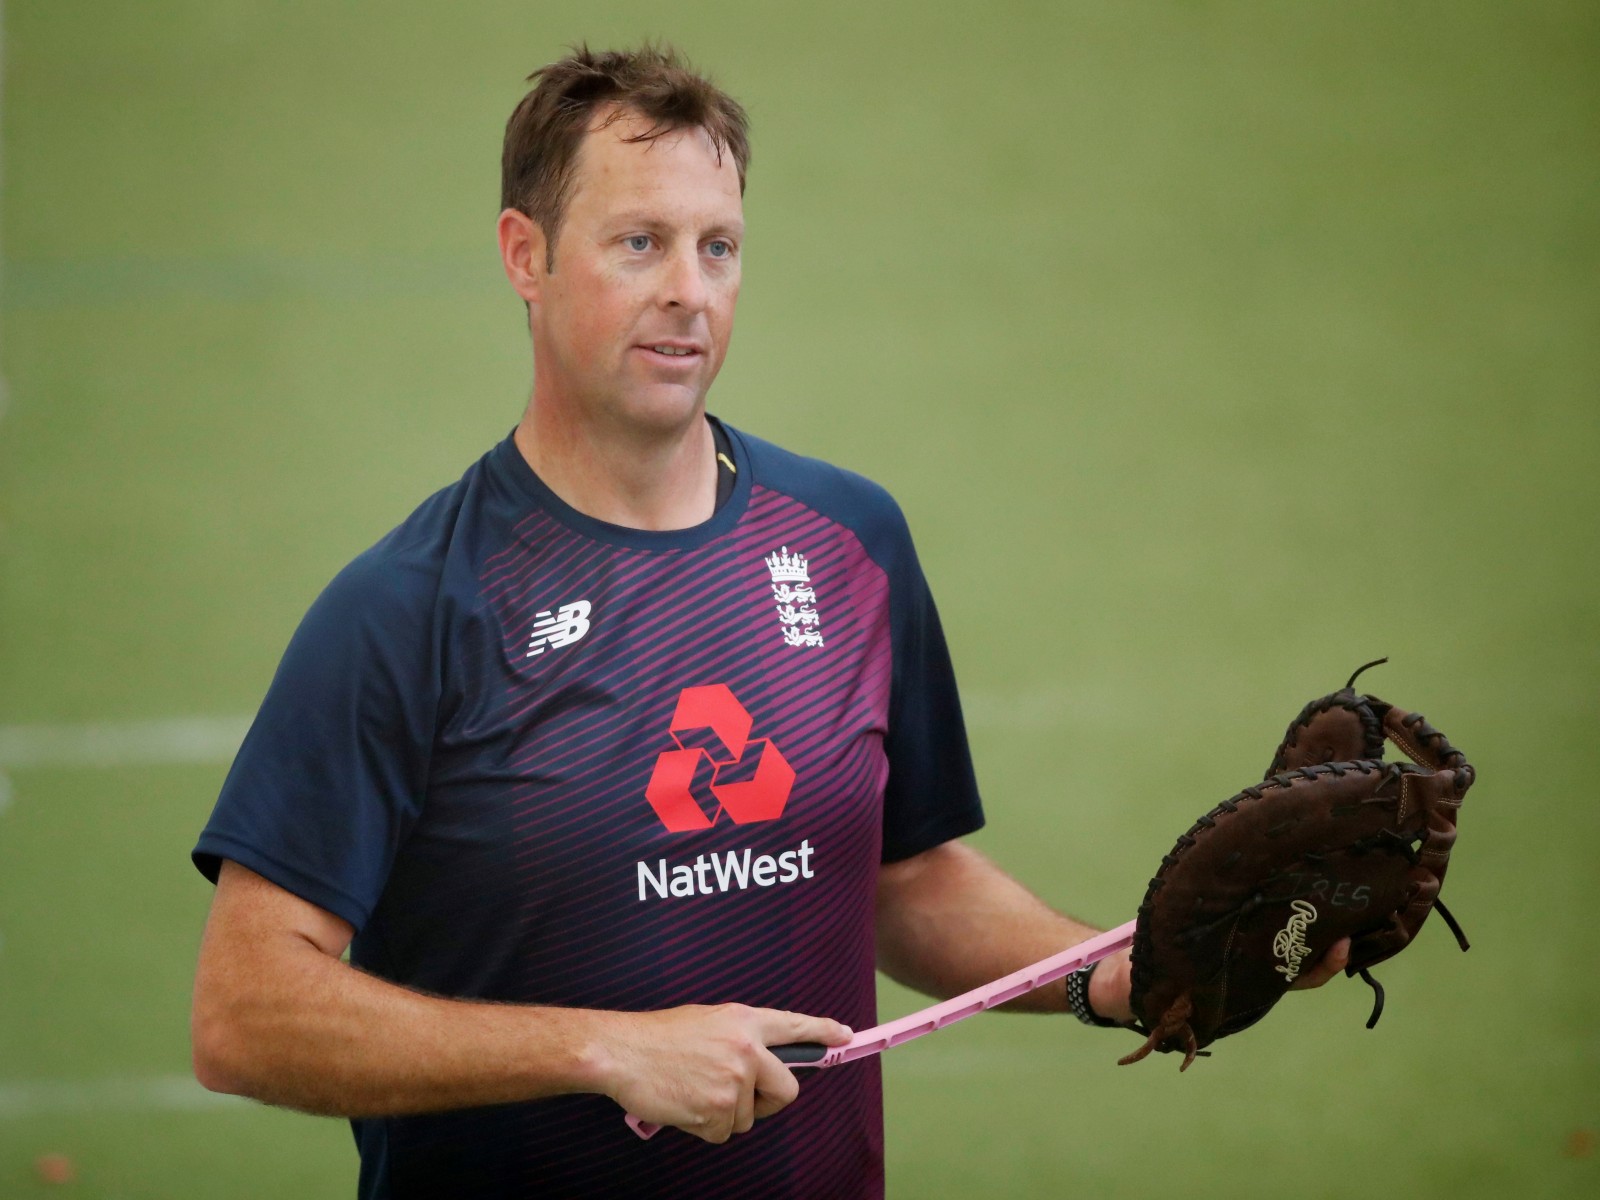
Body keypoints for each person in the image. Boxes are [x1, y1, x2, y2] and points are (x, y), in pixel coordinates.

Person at [189, 44, 1346, 1200]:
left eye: (718, 247)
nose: (688, 288)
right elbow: (243, 1016)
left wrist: (1129, 971)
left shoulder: (847, 540)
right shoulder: (411, 608)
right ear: (524, 256)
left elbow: (904, 881)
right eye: (639, 242)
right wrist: (604, 1049)